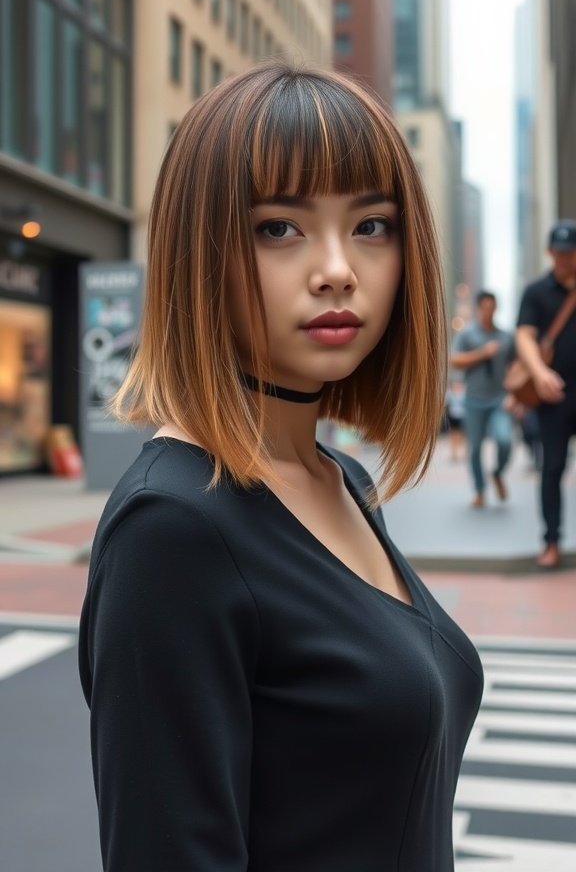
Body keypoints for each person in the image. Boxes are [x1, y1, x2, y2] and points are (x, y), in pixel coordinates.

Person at [78, 62, 483, 872]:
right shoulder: (174, 529)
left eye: (372, 225)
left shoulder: (342, 481)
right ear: (200, 252)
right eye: (278, 228)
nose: (338, 267)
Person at [516, 219, 576, 569]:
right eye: (559, 252)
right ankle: (551, 541)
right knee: (552, 468)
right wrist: (539, 373)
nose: (565, 258)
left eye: (570, 252)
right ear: (550, 252)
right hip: (553, 395)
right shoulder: (537, 291)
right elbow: (524, 335)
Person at [451, 291, 515, 507]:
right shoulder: (467, 334)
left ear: (496, 308)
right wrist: (482, 353)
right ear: (479, 308)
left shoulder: (506, 336)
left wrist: (514, 394)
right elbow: (455, 361)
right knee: (475, 449)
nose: (488, 311)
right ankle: (479, 490)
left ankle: (497, 473)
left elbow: (515, 366)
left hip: (499, 399)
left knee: (505, 440)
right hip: (474, 400)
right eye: (484, 307)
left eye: (492, 307)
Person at [444, 378, 466, 461]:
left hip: (462, 416)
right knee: (453, 435)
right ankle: (454, 453)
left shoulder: (463, 393)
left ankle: (464, 453)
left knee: (463, 435)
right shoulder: (450, 393)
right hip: (453, 416)